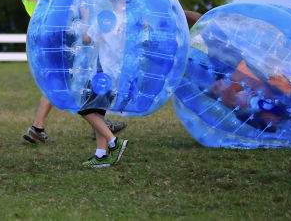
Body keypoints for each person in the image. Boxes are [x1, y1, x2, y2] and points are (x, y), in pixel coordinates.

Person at [23, 8, 204, 149]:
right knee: (83, 100)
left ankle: (101, 147)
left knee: (80, 94)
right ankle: (110, 139)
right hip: (96, 59)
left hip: (95, 60)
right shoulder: (116, 14)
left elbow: (90, 38)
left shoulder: (108, 13)